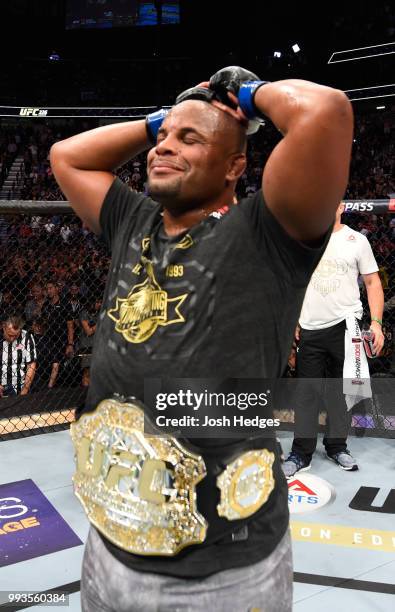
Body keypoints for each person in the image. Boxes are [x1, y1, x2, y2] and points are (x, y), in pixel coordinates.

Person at [50, 66, 353, 612]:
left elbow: (325, 113)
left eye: (189, 140)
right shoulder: (131, 218)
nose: (163, 148)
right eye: (163, 139)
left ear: (236, 165)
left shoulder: (269, 232)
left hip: (221, 575)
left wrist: (245, 94)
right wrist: (163, 120)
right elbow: (65, 156)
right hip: (108, 542)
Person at [283, 202, 385, 477]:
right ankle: (301, 452)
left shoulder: (357, 240)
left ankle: (337, 446)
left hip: (345, 326)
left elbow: (373, 283)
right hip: (310, 327)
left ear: (340, 206)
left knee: (340, 392)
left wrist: (376, 324)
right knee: (306, 393)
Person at [0, 314, 36, 397]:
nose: (12, 339)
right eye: (9, 335)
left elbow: (31, 365)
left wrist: (24, 391)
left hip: (20, 386)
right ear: (3, 327)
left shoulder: (26, 337)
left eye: (15, 335)